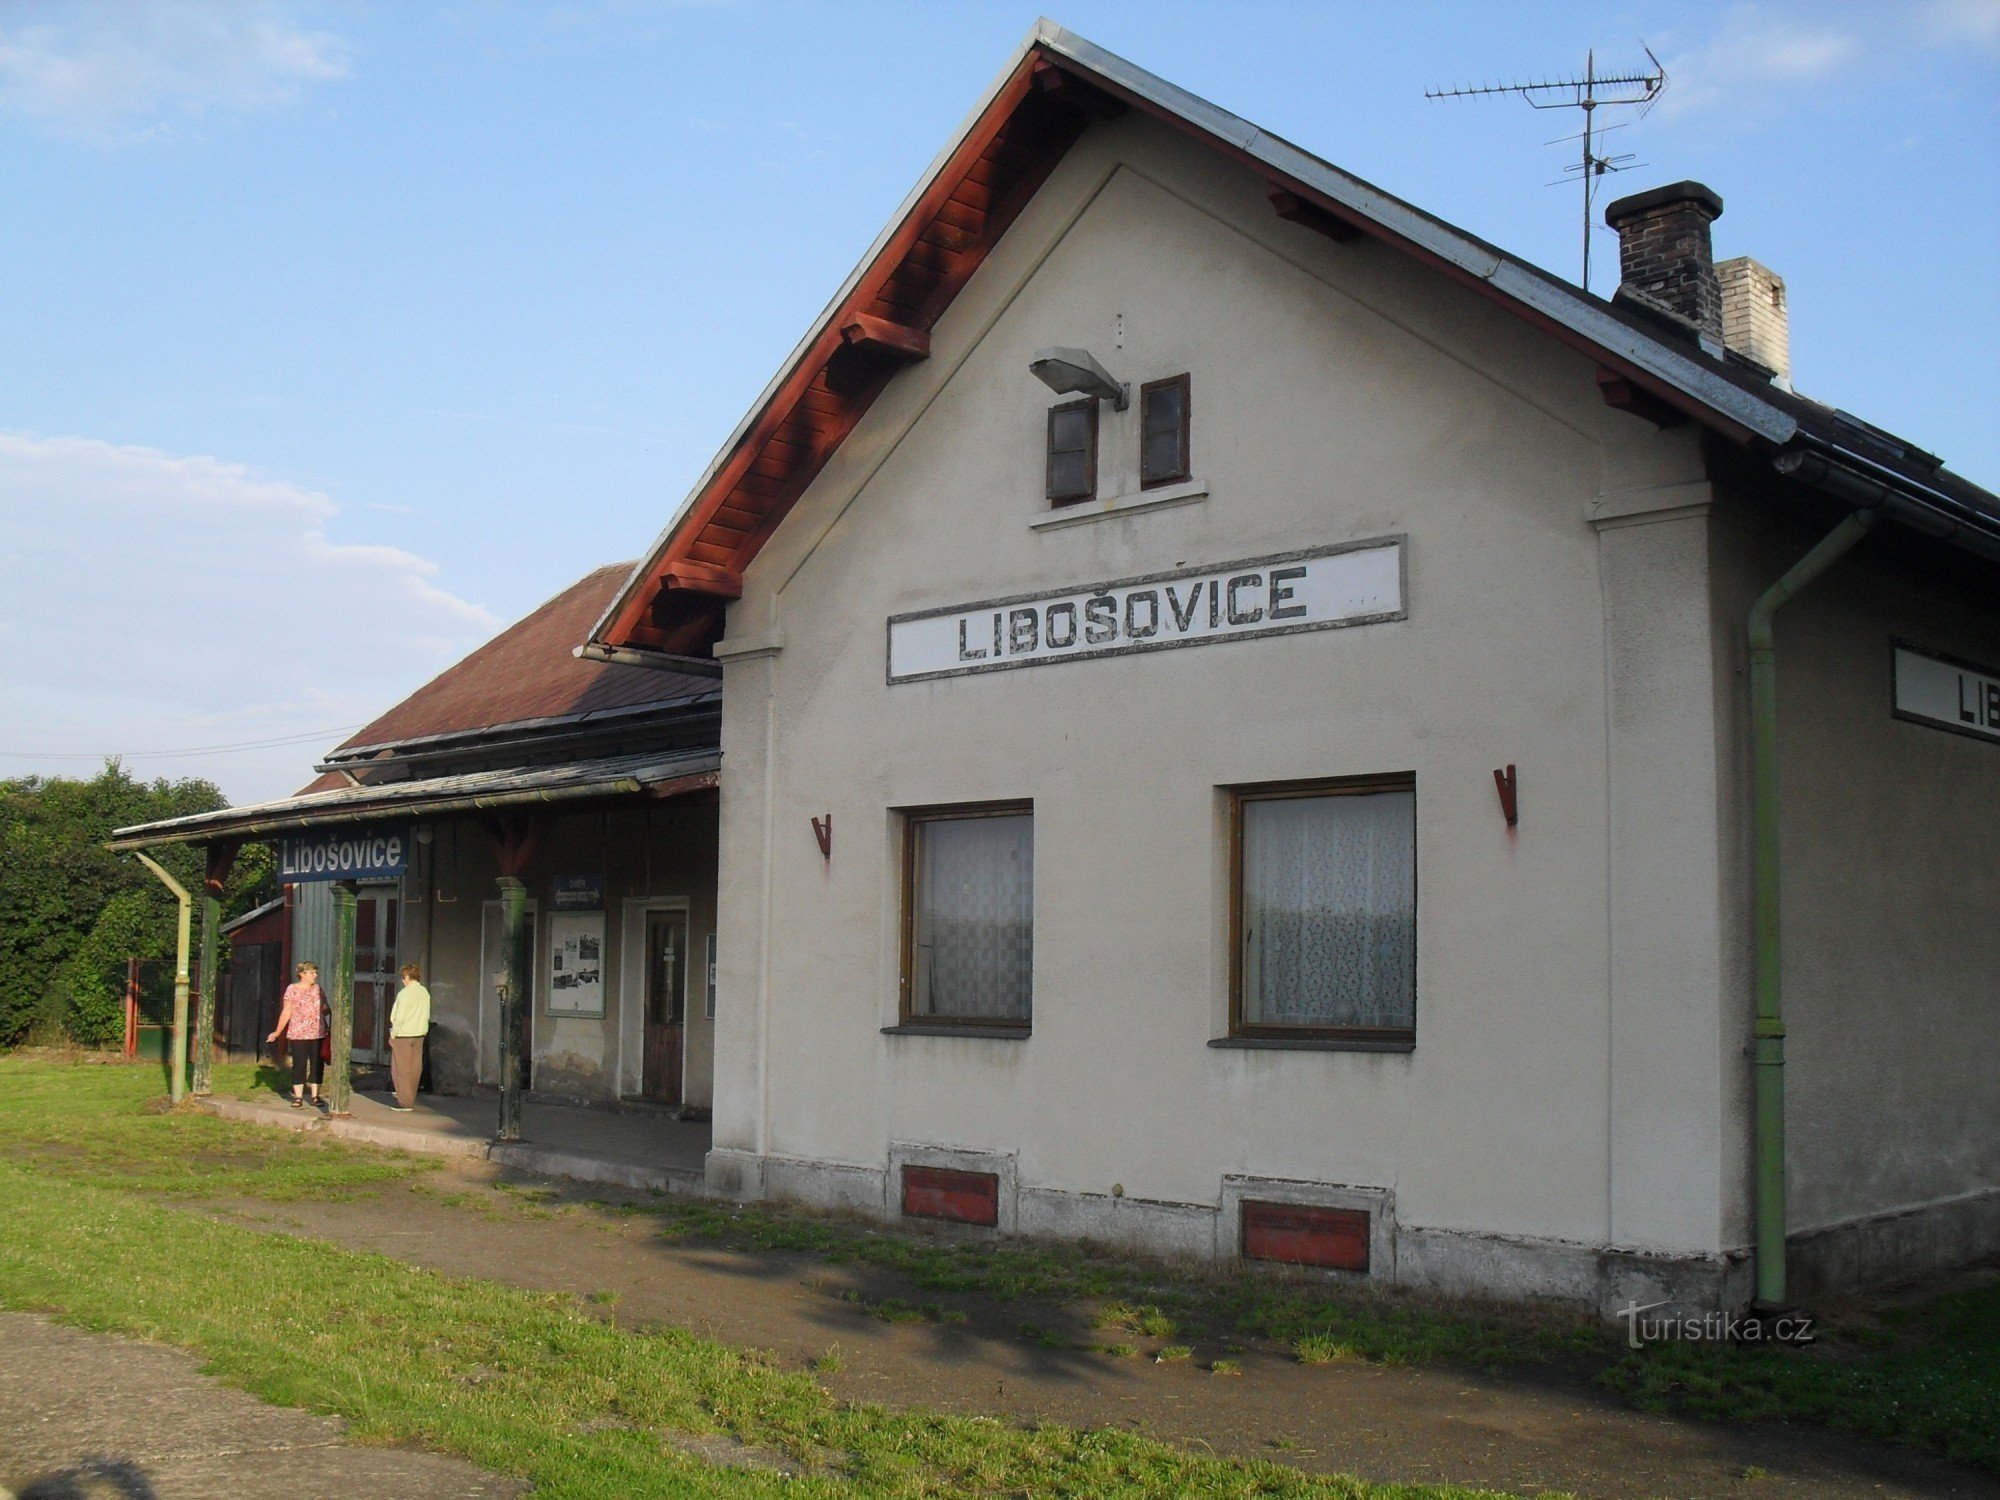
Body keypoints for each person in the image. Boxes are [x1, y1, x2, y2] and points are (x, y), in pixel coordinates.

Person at [267, 961, 329, 1110]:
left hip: (317, 1032)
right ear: (302, 974)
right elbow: (286, 1011)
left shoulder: (318, 989)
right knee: (299, 1065)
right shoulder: (292, 989)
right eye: (312, 973)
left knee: (317, 1064)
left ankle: (315, 1095)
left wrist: (327, 1009)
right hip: (298, 1033)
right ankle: (298, 1096)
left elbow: (325, 1008)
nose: (315, 975)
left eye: (316, 972)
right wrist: (277, 1031)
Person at [388, 962, 431, 1112]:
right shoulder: (424, 992)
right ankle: (410, 1096)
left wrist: (393, 1033)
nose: (402, 980)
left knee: (401, 1068)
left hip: (404, 1034)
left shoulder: (404, 994)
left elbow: (399, 1017)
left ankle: (404, 1101)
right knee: (415, 1066)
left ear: (407, 977)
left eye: (403, 977)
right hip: (419, 1033)